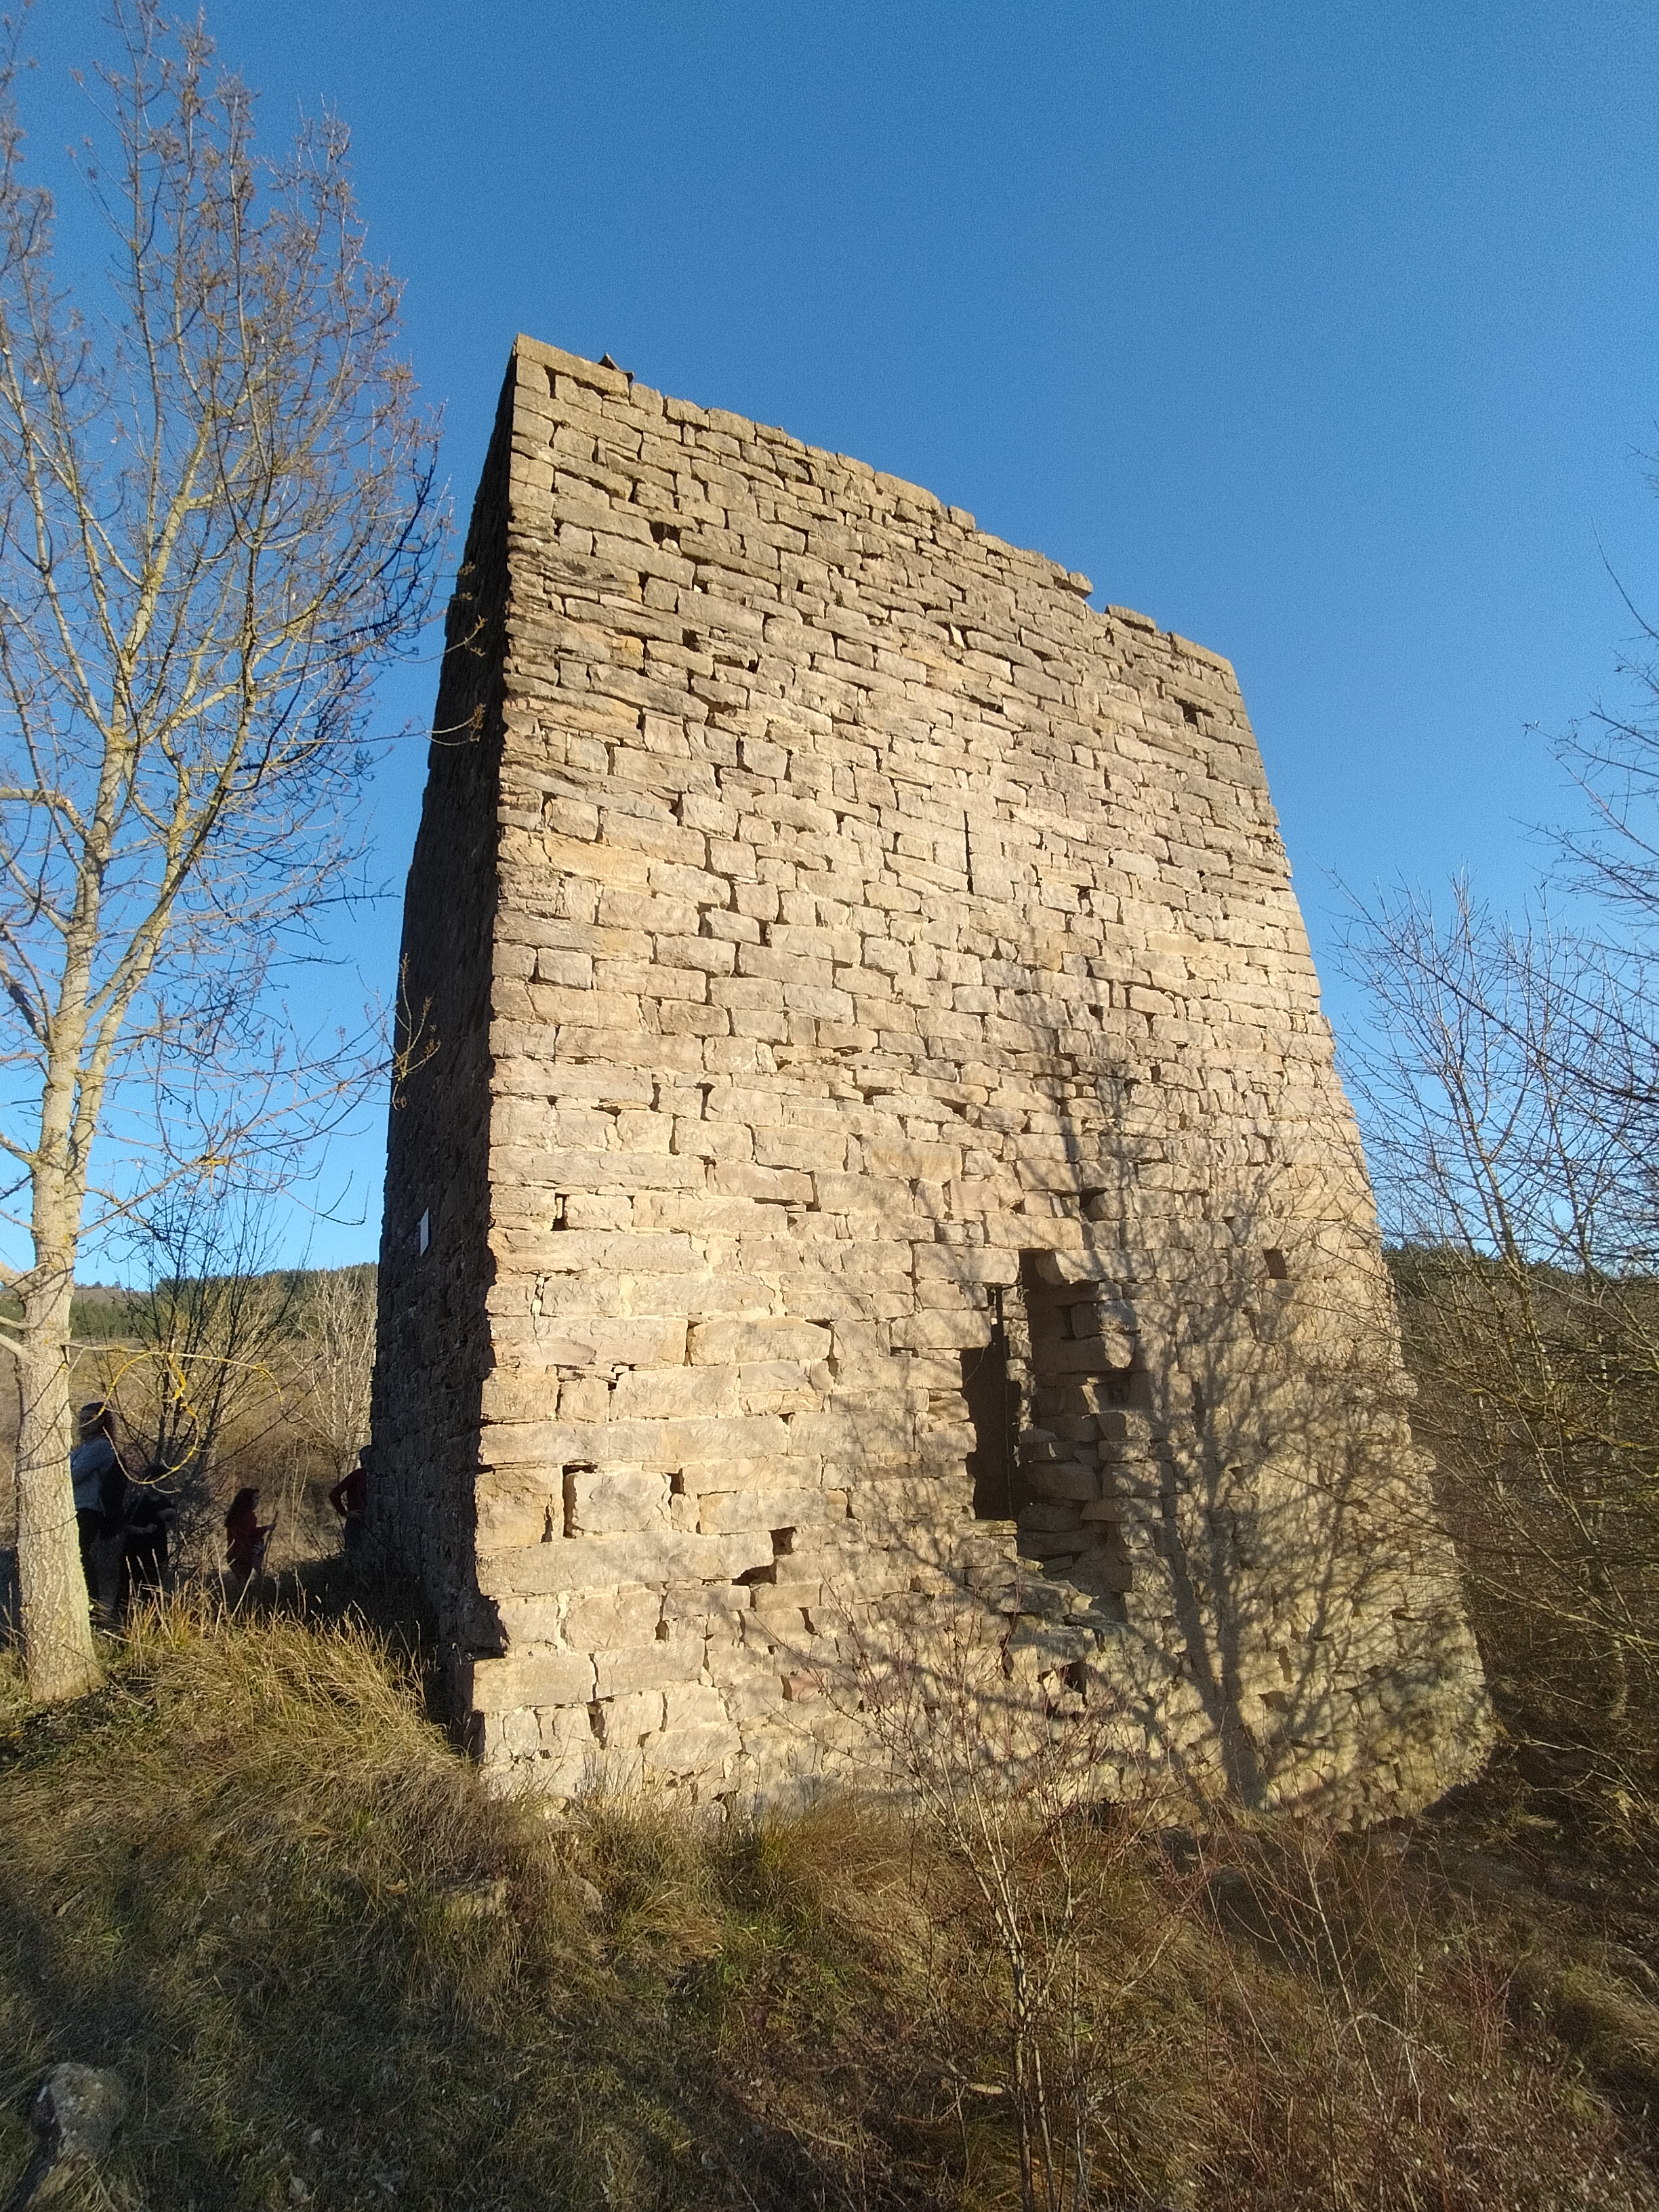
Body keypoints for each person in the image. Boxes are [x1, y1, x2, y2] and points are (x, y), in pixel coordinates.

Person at [70, 1403, 129, 1624]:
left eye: (90, 1418)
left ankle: (93, 1607)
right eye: (82, 1418)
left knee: (80, 1555)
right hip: (75, 1506)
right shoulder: (82, 1448)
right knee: (77, 1555)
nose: (84, 1423)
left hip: (89, 1508)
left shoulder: (102, 1447)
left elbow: (73, 1476)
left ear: (102, 1421)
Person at [122, 1458, 180, 1607]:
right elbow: (126, 1526)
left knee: (155, 1586)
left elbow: (172, 1515)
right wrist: (144, 1530)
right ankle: (124, 1612)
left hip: (158, 1550)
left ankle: (154, 1613)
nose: (164, 1484)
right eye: (161, 1480)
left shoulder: (164, 1500)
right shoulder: (139, 1502)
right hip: (138, 1550)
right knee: (132, 1585)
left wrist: (170, 1512)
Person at [224, 1486, 275, 1585]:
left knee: (241, 1582)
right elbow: (251, 1534)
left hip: (232, 1555)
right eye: (255, 1499)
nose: (257, 1502)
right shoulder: (248, 1516)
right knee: (246, 1583)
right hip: (244, 1556)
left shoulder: (234, 1515)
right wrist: (267, 1528)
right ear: (248, 1500)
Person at [327, 1455, 367, 1555]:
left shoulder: (374, 1476)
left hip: (365, 1523)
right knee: (353, 1554)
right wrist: (346, 1513)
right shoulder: (358, 1476)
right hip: (356, 1524)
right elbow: (334, 1494)